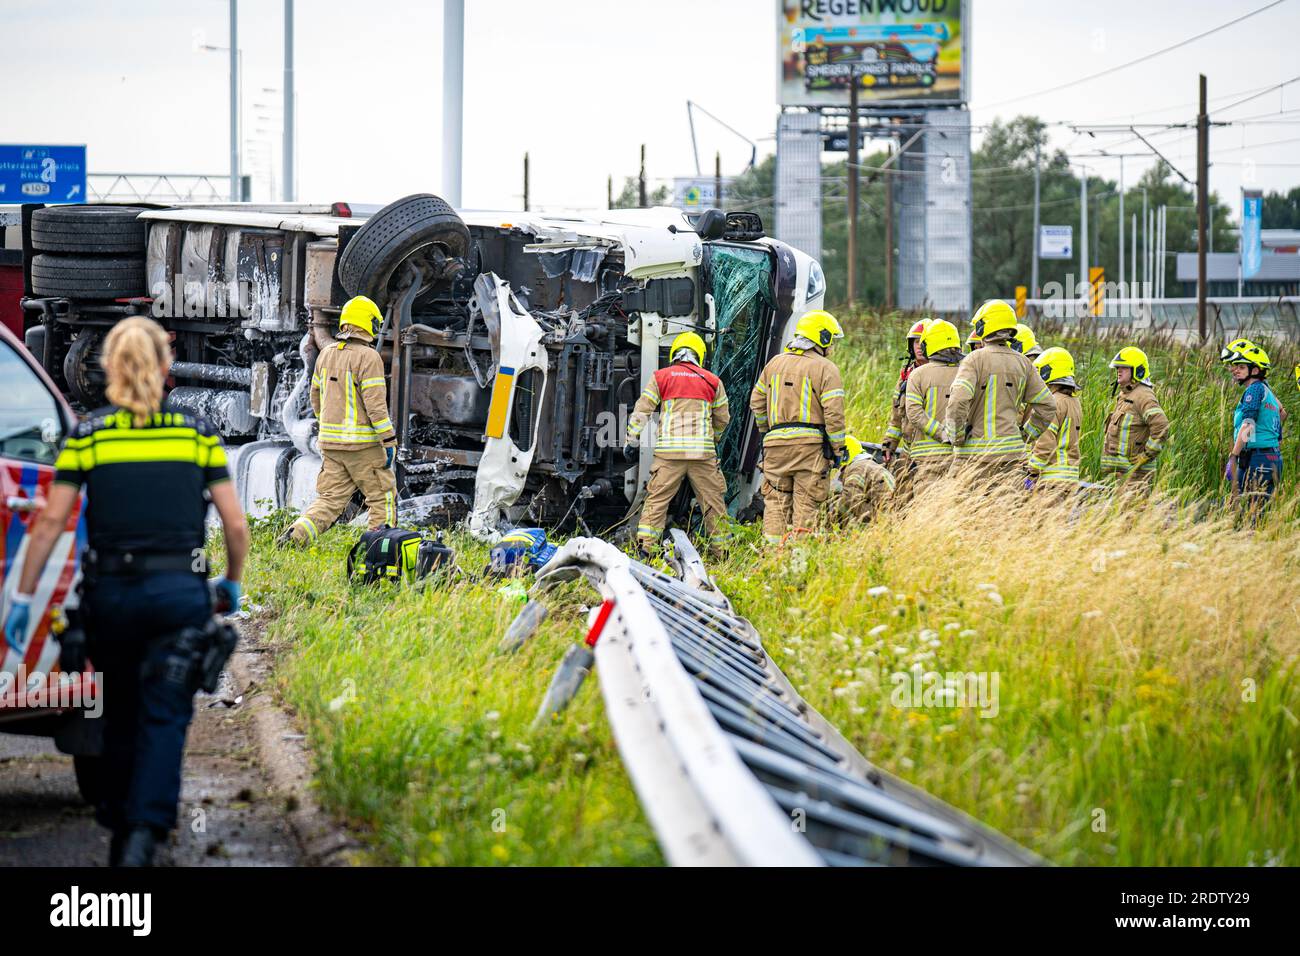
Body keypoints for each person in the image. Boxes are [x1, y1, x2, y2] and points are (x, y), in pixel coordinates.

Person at [3, 317, 249, 867]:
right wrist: (229, 584)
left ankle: (117, 819)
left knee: (114, 712)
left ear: (109, 368)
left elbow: (48, 526)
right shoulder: (195, 434)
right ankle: (142, 835)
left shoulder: (87, 438)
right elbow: (235, 525)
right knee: (164, 714)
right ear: (164, 369)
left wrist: (21, 602)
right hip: (179, 599)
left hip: (110, 599)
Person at [283, 295, 398, 545]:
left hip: (331, 446)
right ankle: (382, 547)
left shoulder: (326, 354)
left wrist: (327, 426)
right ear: (368, 324)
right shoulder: (368, 357)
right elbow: (376, 407)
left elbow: (315, 396)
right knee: (382, 498)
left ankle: (296, 536)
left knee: (330, 500)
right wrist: (389, 441)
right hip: (364, 448)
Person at [626, 331, 730, 553]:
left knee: (657, 500)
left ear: (675, 353)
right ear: (699, 355)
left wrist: (631, 438)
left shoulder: (662, 377)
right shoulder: (712, 381)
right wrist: (715, 439)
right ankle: (722, 552)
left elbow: (643, 409)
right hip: (701, 454)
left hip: (669, 453)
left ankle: (646, 549)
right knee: (712, 503)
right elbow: (722, 418)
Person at [750, 309, 847, 543]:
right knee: (807, 504)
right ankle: (799, 562)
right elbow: (834, 414)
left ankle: (773, 558)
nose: (832, 347)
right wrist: (837, 449)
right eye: (831, 341)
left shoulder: (774, 364)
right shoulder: (825, 368)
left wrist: (767, 433)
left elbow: (756, 401)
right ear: (821, 338)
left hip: (775, 449)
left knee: (775, 503)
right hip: (810, 450)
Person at [943, 300, 1055, 485]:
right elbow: (1048, 406)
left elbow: (958, 401)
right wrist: (1025, 435)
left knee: (962, 511)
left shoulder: (974, 359)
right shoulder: (1023, 363)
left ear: (982, 327)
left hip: (974, 458)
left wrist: (957, 436)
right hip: (1011, 458)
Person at [1221, 338, 1285, 509]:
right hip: (1272, 458)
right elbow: (1282, 412)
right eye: (1235, 366)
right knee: (1259, 512)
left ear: (1255, 370)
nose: (1235, 370)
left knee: (1243, 511)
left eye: (1241, 367)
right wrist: (1274, 437)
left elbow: (1248, 424)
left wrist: (1233, 456)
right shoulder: (1266, 390)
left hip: (1257, 460)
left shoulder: (1255, 390)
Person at [902, 319, 964, 494]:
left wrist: (942, 433)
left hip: (928, 458)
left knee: (926, 511)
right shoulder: (968, 371)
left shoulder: (918, 375)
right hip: (960, 456)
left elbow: (913, 413)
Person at [1101, 346, 1170, 492]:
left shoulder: (1143, 396)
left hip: (1136, 477)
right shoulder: (1126, 395)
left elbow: (1161, 427)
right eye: (1118, 367)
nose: (1119, 370)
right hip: (1121, 475)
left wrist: (1145, 456)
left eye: (1124, 367)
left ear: (1137, 370)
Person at [1026, 347, 1083, 493]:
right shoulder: (1074, 402)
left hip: (1051, 480)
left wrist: (1032, 470)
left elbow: (1046, 443)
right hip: (1070, 478)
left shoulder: (1053, 403)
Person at [881, 319, 928, 470]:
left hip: (932, 451)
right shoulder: (904, 377)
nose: (919, 346)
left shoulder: (940, 374)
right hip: (909, 451)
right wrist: (889, 445)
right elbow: (896, 418)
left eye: (923, 341)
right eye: (916, 342)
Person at [834, 434, 895, 522]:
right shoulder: (868, 465)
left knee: (838, 502)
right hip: (893, 515)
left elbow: (851, 499)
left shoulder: (857, 468)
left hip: (885, 519)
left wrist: (877, 522)